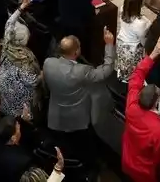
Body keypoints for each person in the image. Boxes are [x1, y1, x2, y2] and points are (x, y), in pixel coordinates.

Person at [43, 27, 115, 162]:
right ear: (76, 52)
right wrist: (109, 45)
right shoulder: (81, 71)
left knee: (63, 143)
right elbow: (105, 71)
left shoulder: (48, 63)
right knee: (84, 145)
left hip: (56, 114)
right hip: (77, 118)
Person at [121, 35, 160, 182]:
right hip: (144, 174)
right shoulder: (159, 129)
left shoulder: (132, 105)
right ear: (157, 102)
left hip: (127, 161)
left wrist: (153, 55)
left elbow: (137, 74)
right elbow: (158, 157)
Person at [0, 0, 40, 117]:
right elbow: (33, 82)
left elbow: (9, 24)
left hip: (5, 94)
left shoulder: (7, 44)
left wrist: (22, 7)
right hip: (20, 102)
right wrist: (44, 73)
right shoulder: (25, 61)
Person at [115, 0, 150, 83]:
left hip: (121, 46)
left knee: (123, 66)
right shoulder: (141, 23)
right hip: (132, 50)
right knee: (134, 73)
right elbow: (144, 42)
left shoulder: (123, 10)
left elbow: (129, 1)